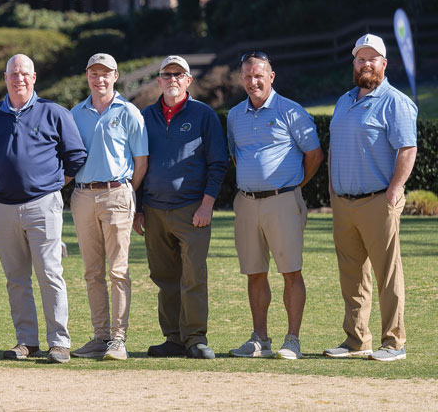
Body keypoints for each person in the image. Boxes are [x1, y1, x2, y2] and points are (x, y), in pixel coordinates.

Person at [0, 54, 87, 364]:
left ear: (34, 77)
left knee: (50, 274)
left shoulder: (54, 113)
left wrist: (50, 186)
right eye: (13, 73)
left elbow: (76, 156)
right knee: (16, 279)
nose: (19, 78)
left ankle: (59, 342)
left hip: (43, 206)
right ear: (6, 77)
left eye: (24, 73)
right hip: (1, 208)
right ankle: (27, 341)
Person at [324, 33, 417, 362]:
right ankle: (356, 340)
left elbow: (407, 148)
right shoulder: (344, 100)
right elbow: (335, 144)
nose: (366, 64)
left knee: (386, 275)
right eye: (361, 58)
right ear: (354, 63)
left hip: (379, 201)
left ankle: (394, 343)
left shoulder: (395, 101)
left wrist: (394, 189)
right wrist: (333, 188)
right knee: (352, 275)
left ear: (384, 64)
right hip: (344, 203)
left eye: (372, 59)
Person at [226, 51, 323, 360]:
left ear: (271, 77)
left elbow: (315, 156)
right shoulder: (234, 116)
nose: (253, 81)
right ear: (241, 79)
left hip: (283, 202)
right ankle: (260, 339)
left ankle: (292, 340)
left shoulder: (292, 111)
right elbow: (235, 156)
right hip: (247, 203)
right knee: (255, 273)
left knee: (290, 271)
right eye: (247, 76)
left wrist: (293, 188)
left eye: (259, 75)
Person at [134, 55, 228, 360]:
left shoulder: (203, 115)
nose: (172, 79)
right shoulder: (145, 117)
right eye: (166, 74)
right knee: (164, 278)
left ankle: (196, 338)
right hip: (153, 210)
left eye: (179, 74)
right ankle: (173, 338)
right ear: (159, 81)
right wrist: (137, 208)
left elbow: (218, 163)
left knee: (193, 276)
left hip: (192, 210)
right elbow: (135, 165)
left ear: (188, 80)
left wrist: (207, 205)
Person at [69, 53, 147, 361]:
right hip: (83, 196)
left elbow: (141, 163)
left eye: (105, 73)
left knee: (117, 270)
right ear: (87, 76)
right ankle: (100, 337)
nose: (99, 79)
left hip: (117, 194)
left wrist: (125, 193)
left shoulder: (129, 112)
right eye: (93, 73)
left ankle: (118, 339)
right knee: (92, 272)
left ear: (115, 76)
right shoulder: (75, 113)